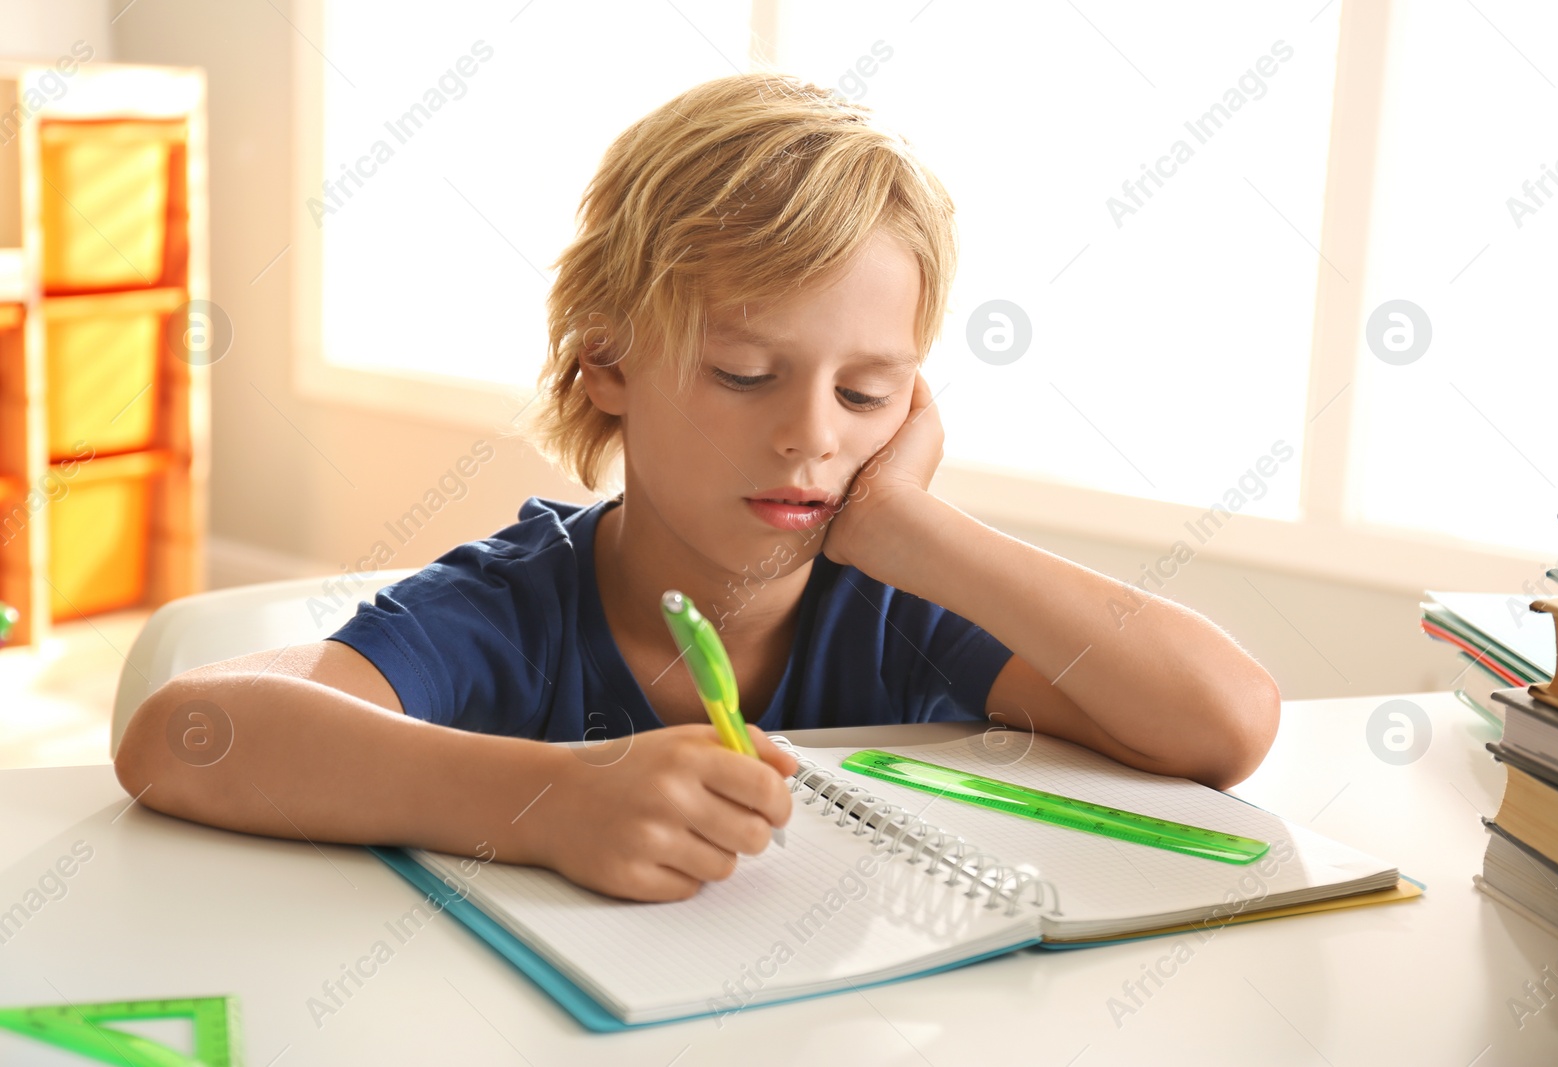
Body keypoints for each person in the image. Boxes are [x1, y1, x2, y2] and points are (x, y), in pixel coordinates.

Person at [115, 73, 1280, 903]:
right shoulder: (512, 612)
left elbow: (1225, 723)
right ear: (606, 361)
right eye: (744, 372)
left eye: (869, 394)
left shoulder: (898, 604)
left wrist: (911, 527)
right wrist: (547, 800)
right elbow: (185, 733)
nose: (809, 439)